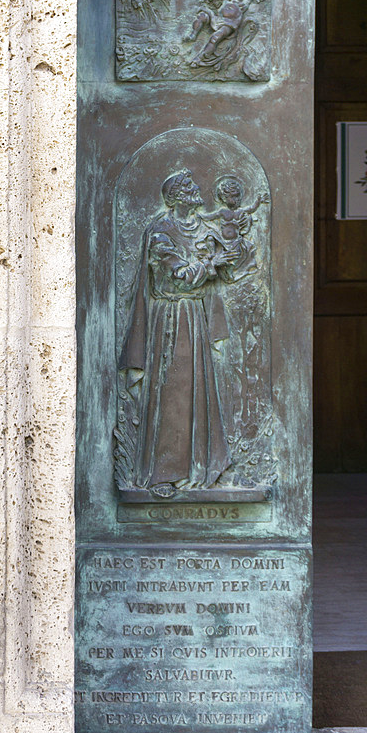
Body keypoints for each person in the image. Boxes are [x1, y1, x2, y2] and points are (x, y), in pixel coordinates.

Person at [118, 170, 233, 495]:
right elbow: (179, 275)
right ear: (177, 196)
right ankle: (162, 473)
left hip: (194, 316)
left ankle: (201, 466)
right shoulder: (161, 232)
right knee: (174, 390)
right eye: (190, 187)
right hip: (172, 318)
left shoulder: (203, 228)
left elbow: (220, 257)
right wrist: (211, 265)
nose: (198, 189)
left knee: (198, 388)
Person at [201, 176, 268, 280]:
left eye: (237, 196)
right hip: (222, 240)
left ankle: (230, 271)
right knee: (209, 235)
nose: (235, 200)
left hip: (234, 241)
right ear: (223, 198)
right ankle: (212, 254)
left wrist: (258, 201)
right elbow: (210, 216)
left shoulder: (240, 211)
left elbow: (251, 208)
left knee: (233, 257)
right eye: (231, 197)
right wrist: (200, 216)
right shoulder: (223, 211)